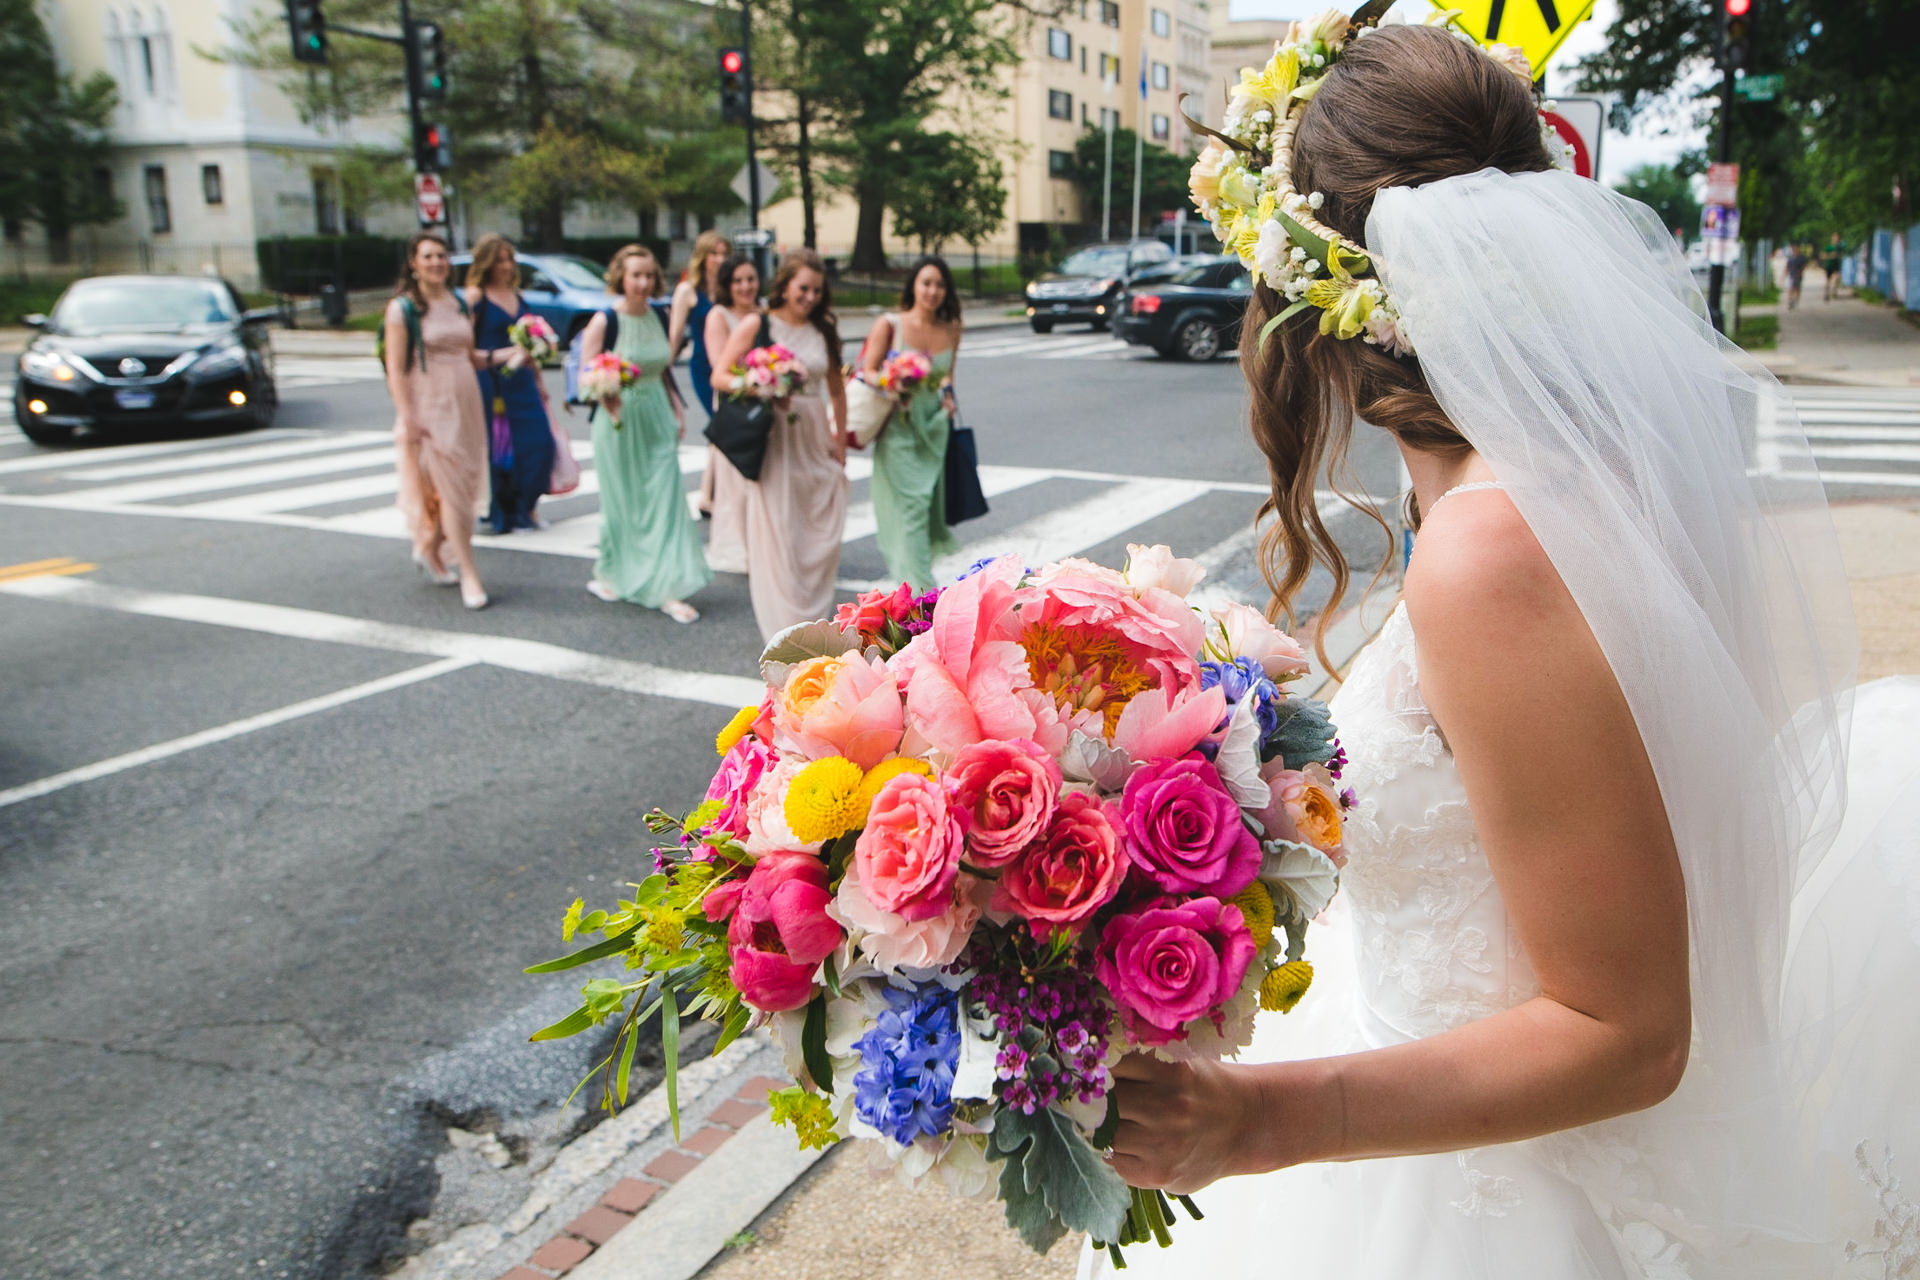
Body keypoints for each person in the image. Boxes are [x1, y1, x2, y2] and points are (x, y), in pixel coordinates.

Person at [1091, 19, 1917, 1280]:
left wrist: (1262, 1120)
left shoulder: (1488, 550)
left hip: (1485, 1194)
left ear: (1313, 287)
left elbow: (1631, 1029)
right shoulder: (1569, 475)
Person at [712, 248, 848, 641]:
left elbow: (837, 392)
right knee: (779, 530)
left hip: (813, 435)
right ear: (785, 286)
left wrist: (839, 441)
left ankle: (811, 618)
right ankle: (783, 629)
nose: (810, 297)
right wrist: (758, 385)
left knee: (816, 529)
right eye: (804, 288)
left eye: (817, 291)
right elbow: (721, 376)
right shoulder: (758, 324)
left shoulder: (824, 330)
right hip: (774, 438)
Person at [578, 244, 710, 623]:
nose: (643, 282)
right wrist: (606, 396)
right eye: (635, 274)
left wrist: (677, 406)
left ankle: (667, 586)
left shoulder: (659, 314)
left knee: (665, 500)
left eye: (649, 275)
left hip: (657, 414)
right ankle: (614, 572)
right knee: (625, 503)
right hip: (619, 420)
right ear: (620, 276)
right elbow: (585, 377)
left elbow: (662, 366)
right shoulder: (605, 321)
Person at [382, 230, 490, 611]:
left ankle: (429, 548)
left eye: (441, 256)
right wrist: (409, 417)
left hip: (467, 400)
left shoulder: (460, 303)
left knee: (466, 484)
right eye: (427, 257)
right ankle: (470, 574)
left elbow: (473, 355)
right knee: (454, 491)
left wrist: (517, 351)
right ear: (413, 264)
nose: (436, 263)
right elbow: (395, 368)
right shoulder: (402, 310)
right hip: (431, 405)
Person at [856, 255, 962, 591]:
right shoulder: (891, 324)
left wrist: (947, 395)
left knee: (926, 508)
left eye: (939, 285)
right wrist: (890, 380)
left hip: (934, 427)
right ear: (913, 285)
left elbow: (947, 375)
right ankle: (923, 594)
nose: (932, 291)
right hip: (899, 426)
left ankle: (910, 584)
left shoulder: (952, 329)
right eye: (926, 283)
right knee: (913, 507)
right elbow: (867, 371)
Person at [463, 234, 557, 535]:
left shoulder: (519, 296)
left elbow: (530, 342)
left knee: (541, 444)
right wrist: (499, 355)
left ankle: (528, 504)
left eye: (509, 259)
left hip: (523, 380)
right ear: (487, 262)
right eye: (499, 260)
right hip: (492, 383)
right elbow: (464, 350)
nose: (506, 266)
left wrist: (539, 380)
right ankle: (509, 513)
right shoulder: (476, 297)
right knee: (502, 451)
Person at [702, 254, 760, 575]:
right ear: (727, 284)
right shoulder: (719, 315)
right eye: (738, 280)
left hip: (763, 400)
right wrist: (757, 378)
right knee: (733, 480)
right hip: (733, 400)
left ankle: (759, 543)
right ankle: (737, 547)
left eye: (750, 279)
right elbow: (719, 363)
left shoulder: (763, 312)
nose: (745, 286)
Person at [670, 230, 730, 519]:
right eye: (714, 253)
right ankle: (708, 495)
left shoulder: (729, 288)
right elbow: (675, 334)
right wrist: (664, 372)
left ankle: (710, 494)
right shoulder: (688, 290)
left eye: (723, 254)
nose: (719, 259)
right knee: (720, 425)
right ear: (702, 257)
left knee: (722, 428)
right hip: (703, 366)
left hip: (728, 364)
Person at [1785, 241, 1809, 310]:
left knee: (1797, 289)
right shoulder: (1790, 258)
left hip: (1798, 275)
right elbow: (1787, 266)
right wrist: (1784, 275)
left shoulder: (1801, 258)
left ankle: (1796, 301)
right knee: (1791, 288)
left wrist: (1801, 272)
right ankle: (1790, 301)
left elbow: (1804, 266)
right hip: (1792, 275)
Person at [1822, 231, 1844, 302]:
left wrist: (1840, 256)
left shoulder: (1839, 248)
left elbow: (1842, 255)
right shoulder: (1829, 247)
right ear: (1832, 239)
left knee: (1837, 278)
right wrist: (1831, 255)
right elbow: (1823, 256)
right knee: (1828, 280)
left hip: (1836, 266)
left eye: (1837, 238)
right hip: (1829, 265)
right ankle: (1826, 293)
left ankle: (1834, 292)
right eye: (1835, 238)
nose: (1836, 239)